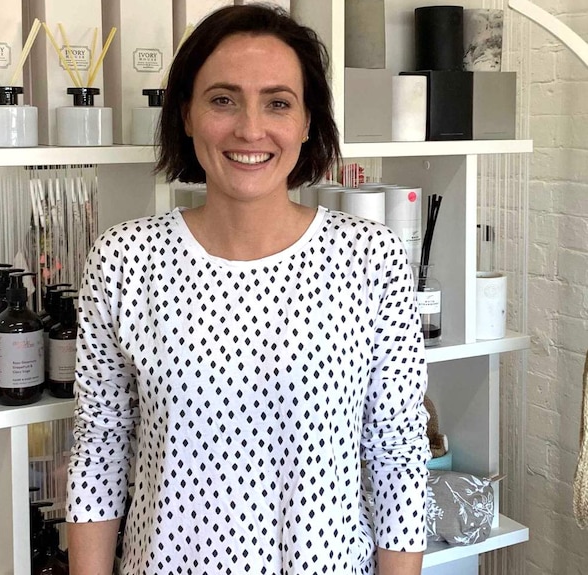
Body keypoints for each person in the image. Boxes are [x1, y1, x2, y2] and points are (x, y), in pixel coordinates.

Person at [66, 5, 430, 575]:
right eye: (222, 99)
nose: (250, 129)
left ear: (308, 122)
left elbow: (397, 453)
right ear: (185, 113)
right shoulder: (123, 259)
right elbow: (100, 446)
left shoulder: (371, 258)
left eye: (278, 103)